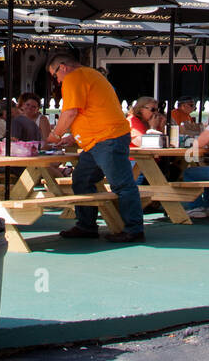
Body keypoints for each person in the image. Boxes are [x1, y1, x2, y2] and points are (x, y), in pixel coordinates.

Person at [46, 50, 145, 244]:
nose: (57, 81)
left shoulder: (73, 78)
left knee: (122, 184)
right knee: (82, 178)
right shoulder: (91, 75)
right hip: (100, 140)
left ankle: (134, 229)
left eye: (55, 75)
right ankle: (86, 225)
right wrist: (75, 137)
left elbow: (71, 112)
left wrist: (55, 135)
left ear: (63, 67)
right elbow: (94, 111)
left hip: (106, 139)